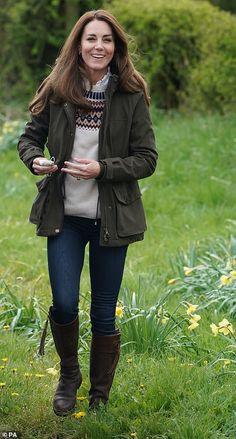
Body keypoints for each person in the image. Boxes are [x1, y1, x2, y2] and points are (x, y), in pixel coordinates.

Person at [18, 9, 157, 416]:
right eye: (92, 39)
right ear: (78, 44)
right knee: (63, 302)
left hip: (112, 219)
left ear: (116, 49)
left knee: (102, 307)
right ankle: (68, 375)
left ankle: (99, 392)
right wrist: (35, 161)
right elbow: (30, 139)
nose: (99, 46)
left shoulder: (131, 93)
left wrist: (103, 169)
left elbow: (147, 159)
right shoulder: (58, 88)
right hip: (65, 215)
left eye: (107, 40)